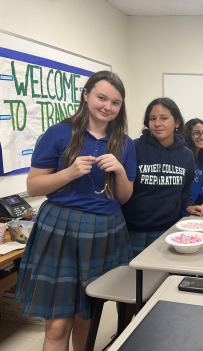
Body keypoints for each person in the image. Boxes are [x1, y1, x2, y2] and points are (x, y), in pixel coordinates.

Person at [15, 71, 136, 351]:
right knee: (57, 325)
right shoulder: (59, 133)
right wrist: (68, 173)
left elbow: (124, 196)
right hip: (61, 229)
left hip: (105, 231)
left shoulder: (125, 143)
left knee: (87, 318)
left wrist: (118, 169)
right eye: (102, 98)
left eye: (115, 102)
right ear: (86, 95)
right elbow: (33, 187)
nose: (108, 106)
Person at [121, 98, 203, 257]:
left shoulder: (186, 155)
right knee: (134, 279)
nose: (157, 123)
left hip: (169, 229)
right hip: (134, 230)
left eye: (164, 118)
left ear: (177, 122)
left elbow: (185, 189)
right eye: (152, 119)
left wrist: (188, 205)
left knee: (165, 278)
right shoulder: (135, 147)